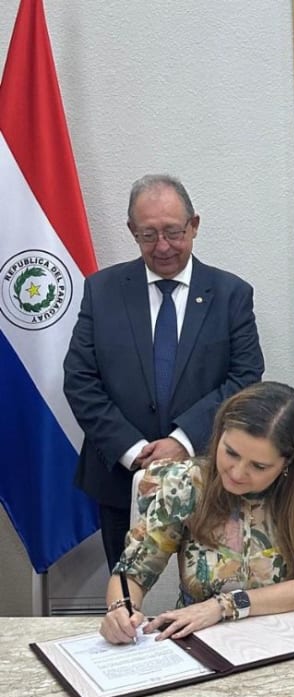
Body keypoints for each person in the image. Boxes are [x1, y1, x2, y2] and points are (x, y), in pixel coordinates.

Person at [63, 174, 265, 570]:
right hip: (121, 482)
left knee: (204, 591)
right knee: (128, 595)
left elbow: (245, 377)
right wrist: (135, 452)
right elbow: (80, 379)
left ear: (194, 225)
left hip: (208, 477)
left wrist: (182, 440)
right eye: (148, 235)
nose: (163, 246)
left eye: (173, 232)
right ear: (132, 232)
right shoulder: (102, 291)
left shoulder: (231, 294)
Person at [99, 381, 294, 644]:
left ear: (287, 462)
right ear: (219, 434)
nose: (237, 473)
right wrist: (120, 611)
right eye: (231, 453)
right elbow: (133, 571)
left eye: (259, 466)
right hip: (201, 643)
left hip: (287, 639)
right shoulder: (186, 484)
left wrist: (226, 605)